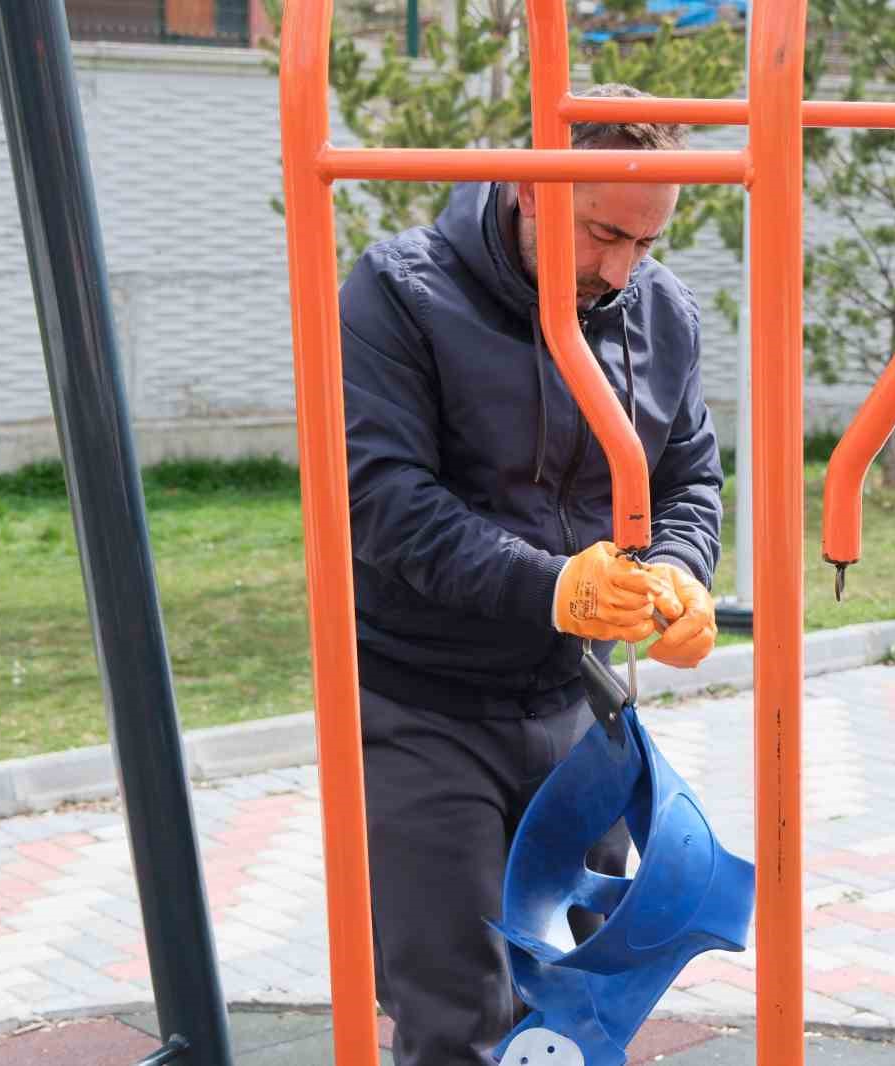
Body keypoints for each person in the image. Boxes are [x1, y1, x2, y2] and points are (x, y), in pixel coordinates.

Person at [336, 83, 723, 1066]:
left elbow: (689, 474)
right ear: (527, 188)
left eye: (645, 241)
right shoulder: (399, 293)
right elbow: (379, 494)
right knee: (455, 1009)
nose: (620, 266)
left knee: (577, 1001)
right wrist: (550, 585)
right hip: (420, 701)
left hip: (570, 699)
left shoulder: (657, 310)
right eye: (602, 233)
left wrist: (679, 570)